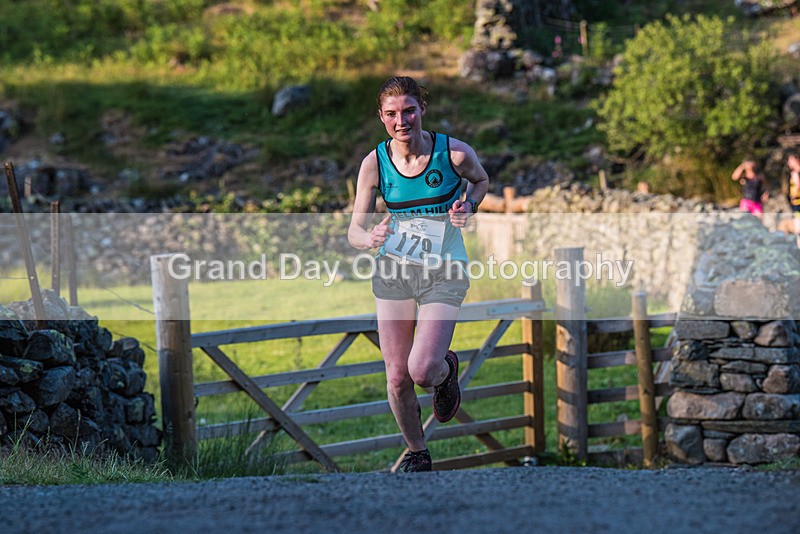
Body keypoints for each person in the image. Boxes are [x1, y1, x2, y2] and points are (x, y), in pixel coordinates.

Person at [347, 76, 489, 472]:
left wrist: (469, 207)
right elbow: (354, 231)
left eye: (408, 110)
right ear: (381, 117)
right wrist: (369, 236)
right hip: (394, 270)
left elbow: (481, 181)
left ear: (422, 109)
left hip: (444, 270)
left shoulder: (455, 154)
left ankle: (445, 372)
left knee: (422, 369)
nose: (401, 120)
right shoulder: (374, 163)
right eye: (391, 114)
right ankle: (417, 452)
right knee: (396, 377)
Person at [787, 152, 800, 247]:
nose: (789, 163)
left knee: (798, 224)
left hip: (797, 202)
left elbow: (797, 185)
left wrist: (793, 196)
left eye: (790, 160)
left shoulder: (795, 172)